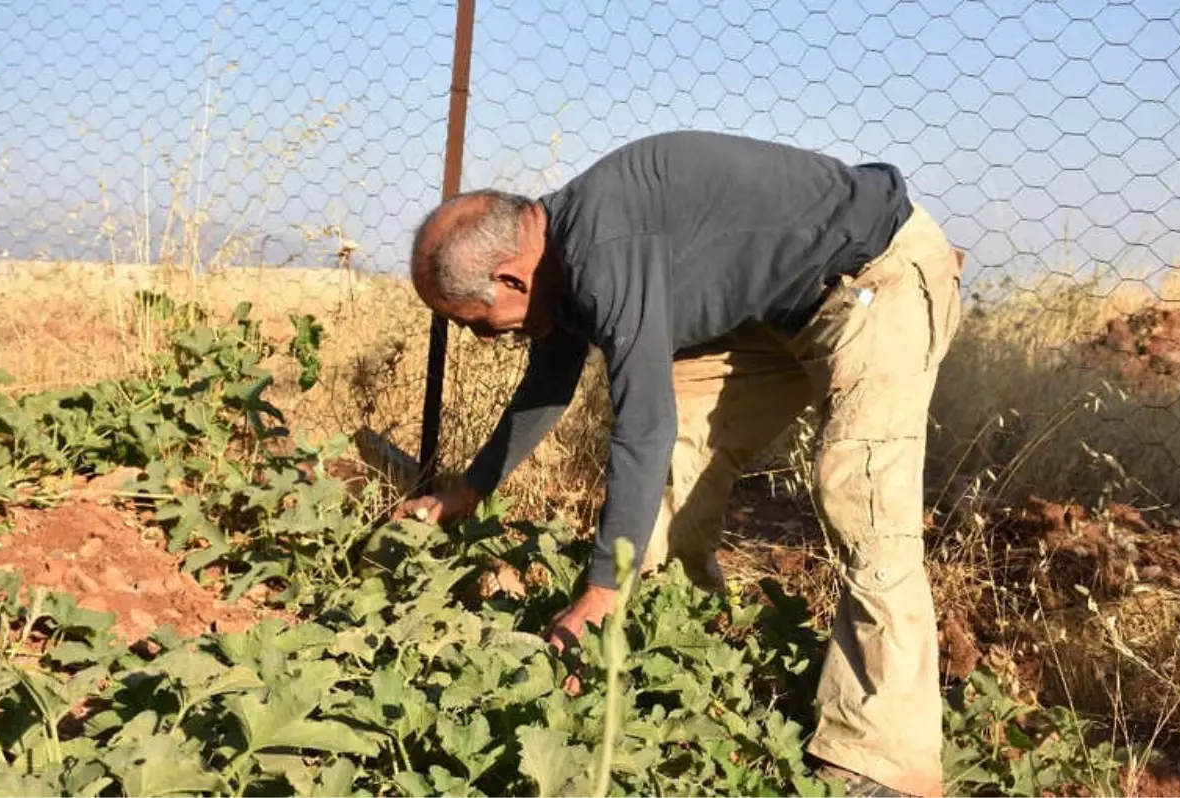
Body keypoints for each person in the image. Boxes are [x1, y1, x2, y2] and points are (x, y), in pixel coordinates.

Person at [396, 130, 963, 798]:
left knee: (860, 495)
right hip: (781, 312)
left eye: (478, 322)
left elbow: (644, 421)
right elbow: (549, 384)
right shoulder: (559, 263)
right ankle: (683, 648)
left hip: (879, 277)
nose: (486, 338)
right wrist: (470, 487)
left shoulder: (602, 252)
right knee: (674, 471)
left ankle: (884, 761)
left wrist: (602, 588)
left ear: (510, 276)